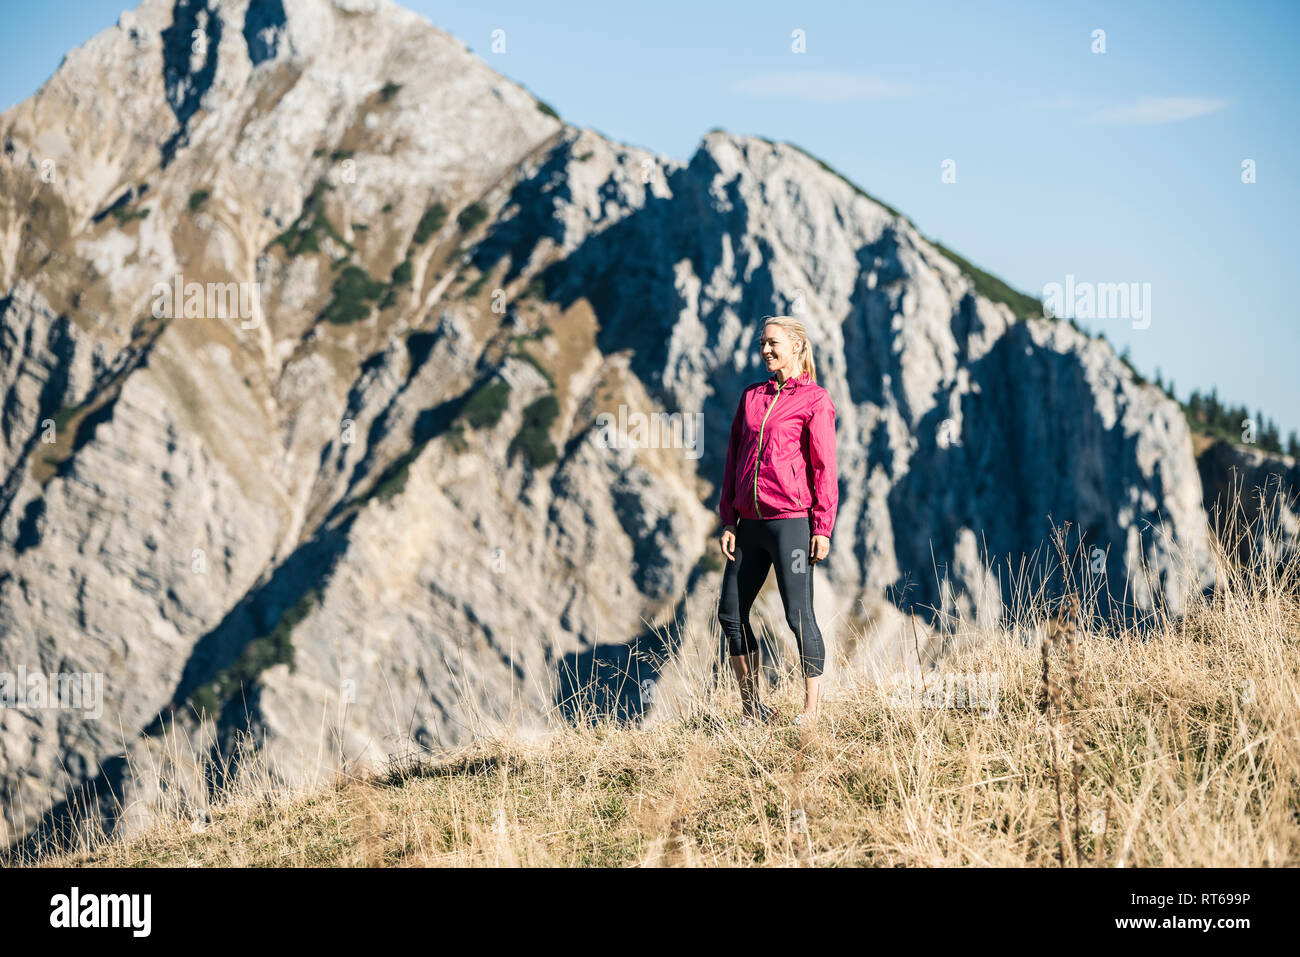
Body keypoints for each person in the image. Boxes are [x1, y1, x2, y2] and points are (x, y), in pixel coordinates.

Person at [717, 315, 838, 727]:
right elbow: (734, 457)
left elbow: (824, 466)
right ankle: (753, 710)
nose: (766, 350)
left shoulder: (815, 400)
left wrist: (822, 527)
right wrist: (728, 519)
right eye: (763, 343)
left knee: (797, 615)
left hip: (791, 524)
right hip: (748, 525)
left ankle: (811, 713)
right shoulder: (751, 396)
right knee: (731, 613)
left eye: (773, 343)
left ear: (796, 347)